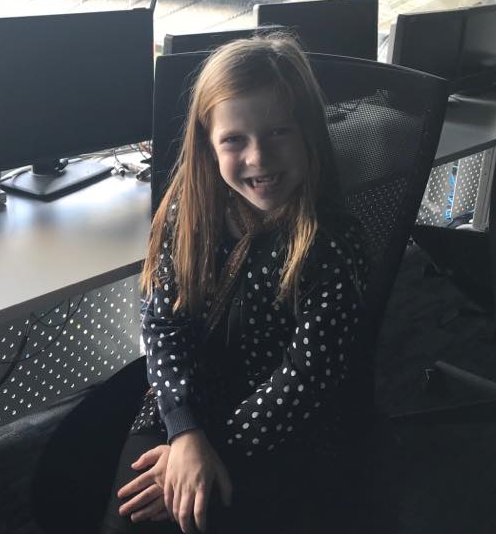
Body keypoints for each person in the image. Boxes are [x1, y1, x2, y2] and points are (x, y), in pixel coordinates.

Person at [98, 34, 372, 534]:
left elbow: (306, 378)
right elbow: (162, 322)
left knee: (192, 514)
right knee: (130, 519)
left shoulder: (332, 240)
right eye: (234, 140)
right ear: (208, 144)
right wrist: (184, 433)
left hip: (281, 425)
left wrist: (211, 450)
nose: (259, 158)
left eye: (279, 133)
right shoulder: (191, 210)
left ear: (309, 131)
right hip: (187, 402)